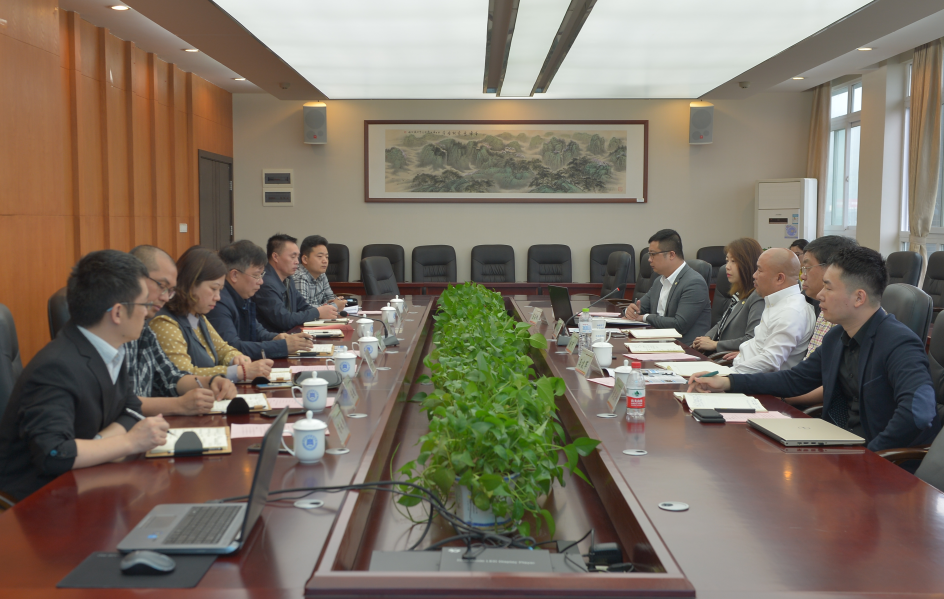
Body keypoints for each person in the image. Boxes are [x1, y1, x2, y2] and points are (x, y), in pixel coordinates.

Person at [688, 246, 942, 452]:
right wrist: (727, 382)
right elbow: (794, 380)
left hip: (879, 461)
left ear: (859, 297)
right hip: (838, 445)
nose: (820, 294)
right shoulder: (837, 337)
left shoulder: (899, 343)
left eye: (829, 287)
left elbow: (918, 413)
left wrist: (872, 456)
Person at [0, 250, 168, 502]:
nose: (147, 312)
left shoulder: (109, 348)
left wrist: (99, 443)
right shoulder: (57, 367)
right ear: (118, 313)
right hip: (39, 502)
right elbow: (53, 454)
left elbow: (131, 410)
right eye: (144, 304)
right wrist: (129, 442)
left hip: (86, 481)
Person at [127, 245, 238, 416]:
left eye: (170, 290)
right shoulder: (161, 321)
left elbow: (171, 377)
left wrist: (212, 381)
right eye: (162, 286)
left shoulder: (145, 331)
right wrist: (179, 404)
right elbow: (122, 405)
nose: (165, 297)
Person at [150, 246, 272, 381]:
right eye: (213, 289)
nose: (218, 297)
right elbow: (184, 375)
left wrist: (236, 358)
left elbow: (222, 349)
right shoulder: (164, 322)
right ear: (191, 285)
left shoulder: (197, 316)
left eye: (220, 290)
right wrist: (240, 371)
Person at [207, 240, 314, 360]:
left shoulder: (243, 295)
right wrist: (282, 346)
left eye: (262, 275)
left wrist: (276, 338)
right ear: (234, 275)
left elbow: (256, 330)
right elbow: (234, 348)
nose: (261, 281)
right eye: (256, 275)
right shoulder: (218, 302)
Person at [786, 235, 859, 406]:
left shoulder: (851, 320)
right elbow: (806, 373)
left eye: (807, 268)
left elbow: (832, 386)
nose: (802, 277)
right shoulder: (827, 309)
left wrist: (782, 398)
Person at [726, 248, 815, 374]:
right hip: (741, 370)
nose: (754, 275)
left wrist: (727, 375)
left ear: (779, 278)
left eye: (759, 270)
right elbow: (761, 346)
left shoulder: (791, 312)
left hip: (750, 380)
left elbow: (770, 361)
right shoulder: (777, 303)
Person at [624, 229, 710, 344]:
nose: (649, 259)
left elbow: (679, 325)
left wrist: (645, 317)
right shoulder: (659, 281)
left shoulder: (694, 283)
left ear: (671, 255)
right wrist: (630, 311)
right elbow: (640, 308)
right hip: (658, 342)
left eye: (653, 254)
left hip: (684, 348)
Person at [692, 238, 765, 355]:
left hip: (729, 359)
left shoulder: (758, 297)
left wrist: (715, 344)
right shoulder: (738, 293)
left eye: (733, 261)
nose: (727, 266)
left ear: (748, 263)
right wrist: (705, 339)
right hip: (716, 354)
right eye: (727, 261)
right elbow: (722, 323)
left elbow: (752, 339)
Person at [254, 233, 337, 334]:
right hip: (272, 340)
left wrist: (324, 312)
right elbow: (284, 320)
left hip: (290, 336)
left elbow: (303, 306)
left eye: (297, 257)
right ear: (275, 257)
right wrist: (318, 312)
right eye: (293, 257)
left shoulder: (288, 279)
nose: (297, 262)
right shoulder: (265, 283)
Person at [292, 235, 346, 313]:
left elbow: (330, 298)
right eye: (320, 256)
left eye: (326, 257)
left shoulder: (321, 274)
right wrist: (335, 305)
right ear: (305, 259)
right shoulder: (299, 277)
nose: (325, 261)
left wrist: (337, 301)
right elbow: (304, 309)